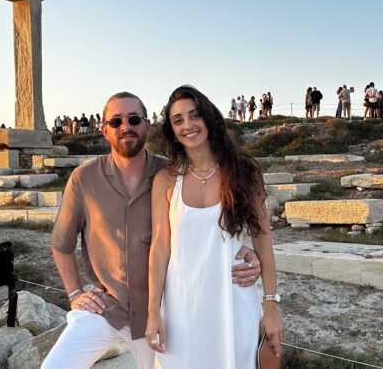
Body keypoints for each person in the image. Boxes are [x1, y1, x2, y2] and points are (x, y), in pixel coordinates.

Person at [42, 92, 262, 369]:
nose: (126, 127)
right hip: (107, 309)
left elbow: (204, 224)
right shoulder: (83, 179)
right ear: (104, 130)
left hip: (163, 312)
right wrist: (75, 294)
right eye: (116, 121)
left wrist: (245, 253)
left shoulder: (171, 175)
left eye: (134, 119)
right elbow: (61, 244)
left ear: (147, 125)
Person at [145, 85, 284, 368]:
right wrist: (153, 312)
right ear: (172, 131)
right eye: (178, 120)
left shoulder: (244, 172)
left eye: (194, 115)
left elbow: (262, 238)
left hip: (234, 303)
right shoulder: (165, 180)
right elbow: (159, 248)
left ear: (209, 118)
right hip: (181, 307)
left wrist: (271, 305)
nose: (188, 125)